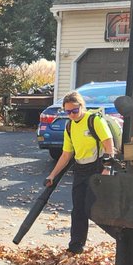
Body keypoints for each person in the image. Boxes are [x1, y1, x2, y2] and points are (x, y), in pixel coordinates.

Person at [44, 91, 115, 254]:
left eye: (75, 111)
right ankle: (75, 247)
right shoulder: (69, 126)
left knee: (92, 207)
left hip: (97, 169)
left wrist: (107, 168)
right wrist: (52, 175)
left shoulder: (94, 120)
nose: (72, 115)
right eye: (67, 112)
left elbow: (109, 144)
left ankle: (122, 237)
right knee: (78, 210)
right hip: (81, 169)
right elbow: (66, 154)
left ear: (81, 107)